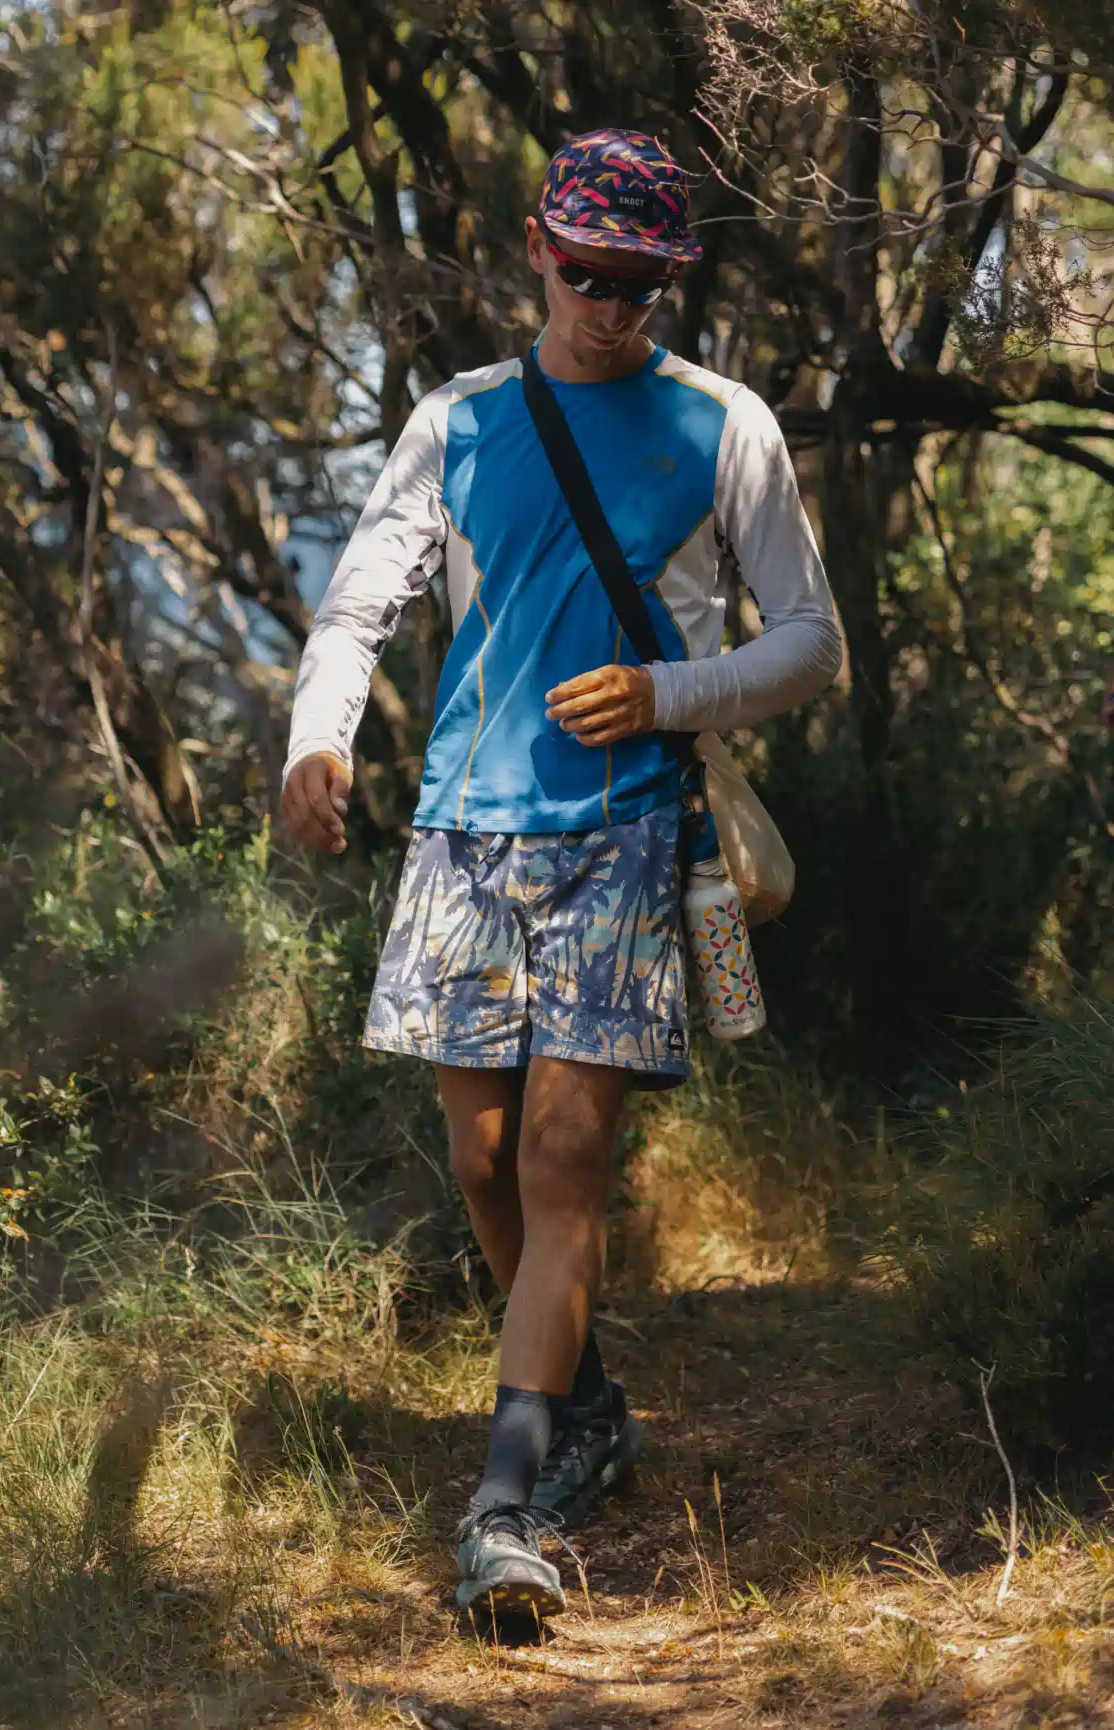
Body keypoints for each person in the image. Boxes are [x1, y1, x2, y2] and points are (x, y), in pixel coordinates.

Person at [281, 128, 842, 1620]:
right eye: (588, 274)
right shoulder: (459, 420)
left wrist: (669, 697)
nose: (610, 306)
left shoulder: (724, 427)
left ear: (669, 280)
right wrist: (318, 743)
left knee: (560, 1160)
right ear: (537, 247)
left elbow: (810, 640)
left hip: (628, 830)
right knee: (479, 1165)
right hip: (464, 831)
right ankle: (583, 1398)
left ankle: (503, 1508)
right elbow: (358, 612)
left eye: (641, 285)